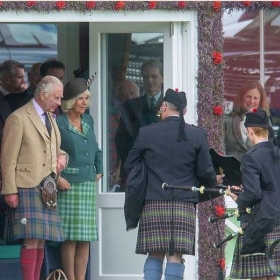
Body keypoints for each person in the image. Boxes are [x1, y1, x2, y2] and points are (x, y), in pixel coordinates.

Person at [124, 88, 223, 280]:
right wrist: (215, 180)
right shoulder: (197, 135)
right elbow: (205, 172)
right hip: (183, 203)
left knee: (154, 253)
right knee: (175, 256)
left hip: (153, 200)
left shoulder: (146, 133)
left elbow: (130, 164)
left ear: (163, 107)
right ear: (184, 111)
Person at [0, 75, 68, 280]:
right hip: (27, 185)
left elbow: (56, 149)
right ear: (43, 94)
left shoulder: (50, 119)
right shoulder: (18, 118)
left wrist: (63, 157)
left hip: (47, 187)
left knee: (41, 239)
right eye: (56, 98)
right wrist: (10, 189)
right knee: (31, 240)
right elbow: (7, 157)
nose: (59, 103)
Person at [56, 78, 103, 280]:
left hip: (87, 183)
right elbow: (49, 154)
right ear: (70, 101)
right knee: (70, 237)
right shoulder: (58, 122)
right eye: (80, 98)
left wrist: (99, 169)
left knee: (85, 237)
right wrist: (56, 178)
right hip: (68, 185)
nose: (85, 102)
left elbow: (96, 148)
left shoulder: (88, 121)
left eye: (87, 98)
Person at [227, 108, 280, 280]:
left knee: (258, 277)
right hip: (277, 221)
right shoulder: (277, 153)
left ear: (249, 130)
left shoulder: (251, 157)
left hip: (258, 220)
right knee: (272, 275)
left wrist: (238, 198)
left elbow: (253, 193)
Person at [115, 59, 163, 190]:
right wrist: (134, 162)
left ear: (162, 78)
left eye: (154, 76)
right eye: (146, 77)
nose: (149, 81)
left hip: (162, 170)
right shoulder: (130, 106)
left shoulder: (170, 104)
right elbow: (121, 140)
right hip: (135, 170)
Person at [224, 81, 270, 161]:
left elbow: (269, 150)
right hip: (232, 171)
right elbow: (221, 149)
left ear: (260, 101)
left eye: (255, 98)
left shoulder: (265, 121)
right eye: (248, 97)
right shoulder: (227, 121)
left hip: (256, 171)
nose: (252, 101)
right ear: (241, 97)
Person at [109, 79, 139, 191]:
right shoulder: (112, 117)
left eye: (132, 93)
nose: (129, 98)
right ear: (118, 98)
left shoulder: (145, 112)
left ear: (139, 94)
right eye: (124, 95)